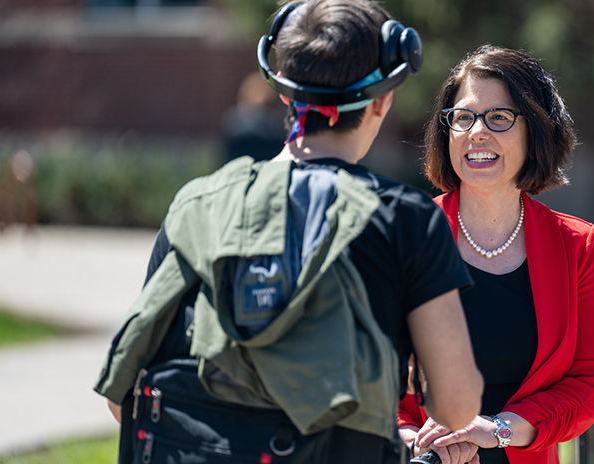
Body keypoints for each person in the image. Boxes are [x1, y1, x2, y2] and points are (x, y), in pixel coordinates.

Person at [96, 1, 483, 463]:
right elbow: (457, 407)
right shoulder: (407, 220)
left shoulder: (199, 206)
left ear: (284, 93)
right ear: (383, 99)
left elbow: (121, 399)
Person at [397, 45, 594, 464]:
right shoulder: (404, 236)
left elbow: (587, 383)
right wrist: (421, 446)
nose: (477, 132)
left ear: (535, 131)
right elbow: (366, 379)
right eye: (463, 117)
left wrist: (495, 430)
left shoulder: (576, 246)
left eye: (499, 117)